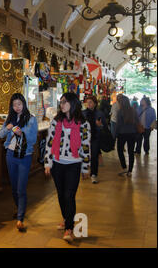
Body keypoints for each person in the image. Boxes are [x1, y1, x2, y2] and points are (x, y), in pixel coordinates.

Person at [44, 92, 91, 243]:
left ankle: (69, 228)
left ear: (72, 103)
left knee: (69, 196)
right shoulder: (56, 121)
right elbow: (50, 143)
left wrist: (85, 167)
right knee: (60, 194)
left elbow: (85, 146)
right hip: (58, 164)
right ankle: (66, 218)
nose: (61, 104)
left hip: (74, 164)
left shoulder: (83, 123)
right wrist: (47, 163)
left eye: (64, 102)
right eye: (61, 102)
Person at [0, 93, 38, 232]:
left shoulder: (31, 119)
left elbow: (33, 139)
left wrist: (23, 134)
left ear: (24, 104)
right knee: (14, 187)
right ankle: (20, 209)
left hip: (24, 156)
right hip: (10, 155)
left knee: (21, 188)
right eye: (14, 105)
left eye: (19, 104)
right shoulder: (10, 118)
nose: (17, 107)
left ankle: (20, 218)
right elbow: (1, 134)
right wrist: (8, 128)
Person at [82, 95, 106, 184]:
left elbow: (105, 128)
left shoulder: (100, 114)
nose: (88, 104)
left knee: (94, 156)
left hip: (95, 137)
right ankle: (84, 171)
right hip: (84, 138)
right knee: (84, 156)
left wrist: (100, 125)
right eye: (87, 102)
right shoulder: (83, 113)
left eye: (90, 102)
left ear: (95, 104)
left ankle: (93, 174)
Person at [116, 96, 139, 176]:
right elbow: (137, 122)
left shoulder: (120, 111)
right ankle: (130, 171)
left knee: (119, 150)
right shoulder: (133, 111)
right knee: (131, 152)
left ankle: (124, 167)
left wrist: (115, 134)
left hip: (122, 133)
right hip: (132, 133)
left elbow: (118, 125)